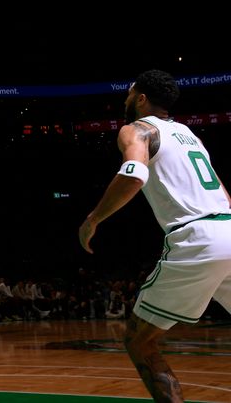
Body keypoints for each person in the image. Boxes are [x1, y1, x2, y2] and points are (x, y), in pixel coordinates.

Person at [78, 69, 231, 403]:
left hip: (199, 238)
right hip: (229, 226)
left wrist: (93, 219)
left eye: (129, 93)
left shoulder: (137, 130)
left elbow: (133, 173)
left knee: (139, 340)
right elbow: (224, 193)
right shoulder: (190, 134)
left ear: (142, 98)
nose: (125, 99)